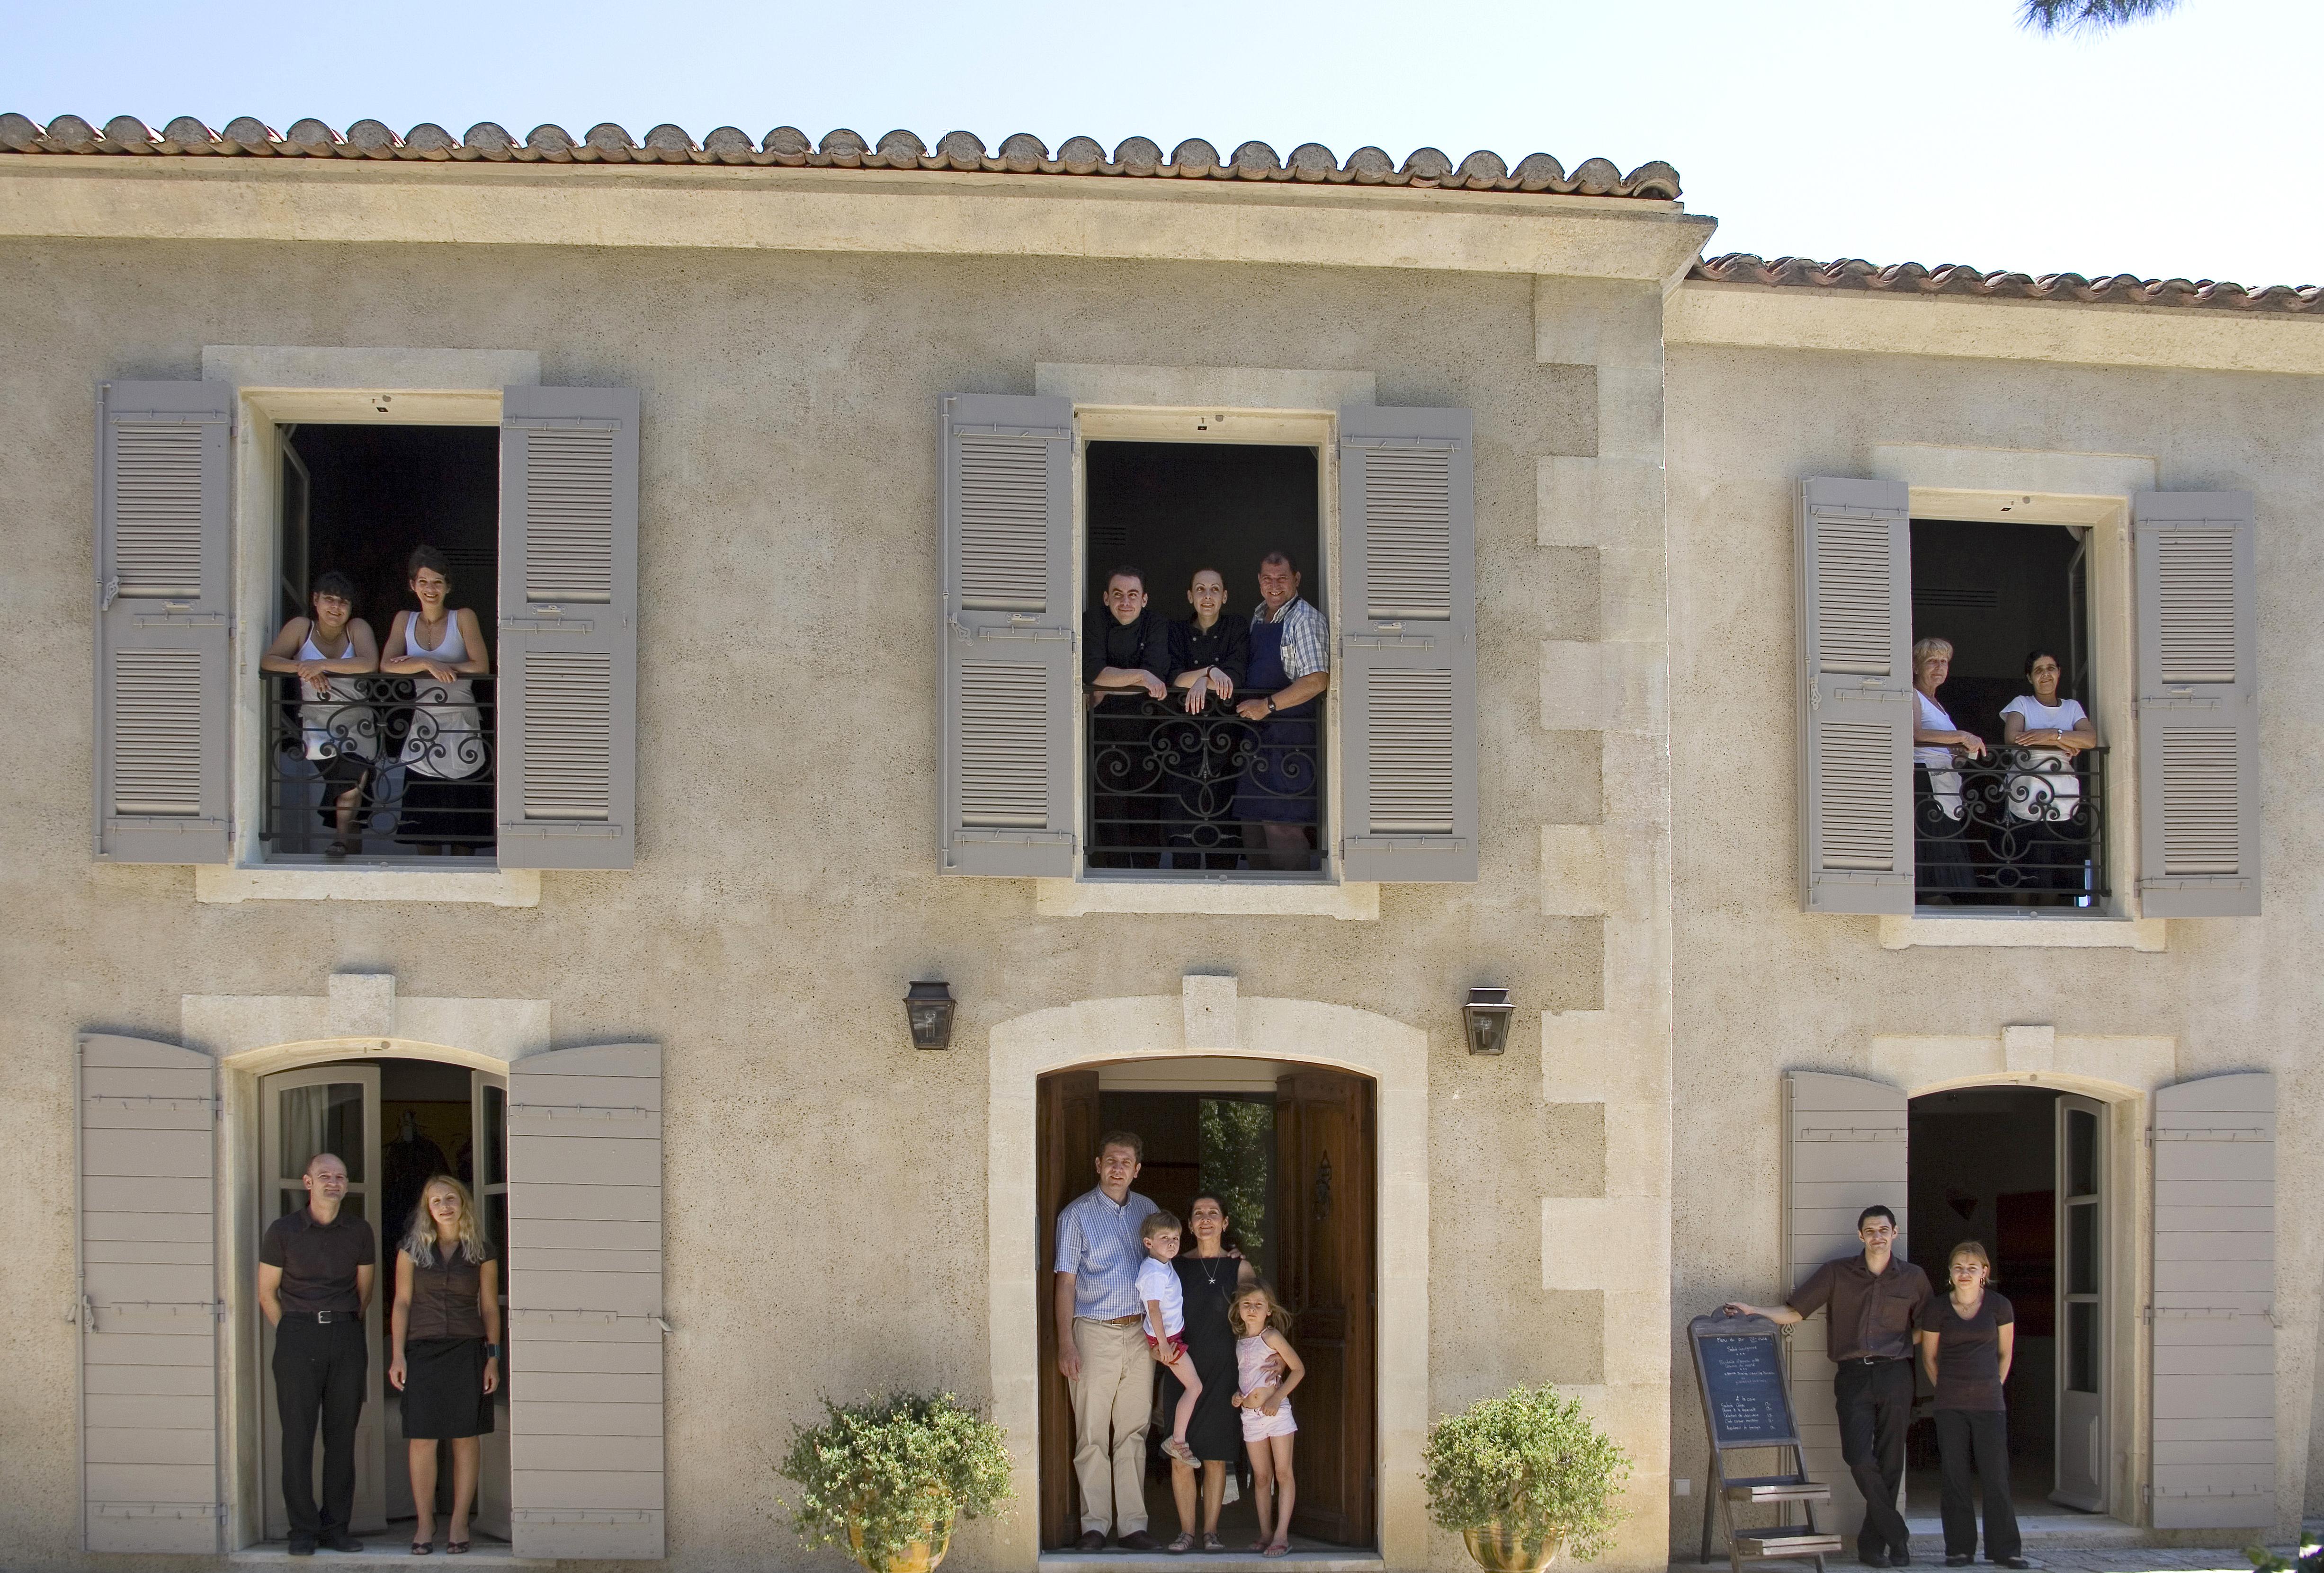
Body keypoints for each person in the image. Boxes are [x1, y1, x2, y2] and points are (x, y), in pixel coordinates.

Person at [1723, 1205, 1932, 1568]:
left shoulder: (1914, 1278)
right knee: (1857, 1456)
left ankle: (1874, 1546)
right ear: (1860, 1236)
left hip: (1896, 1375)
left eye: (1884, 1229)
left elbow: (1929, 1326)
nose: (1877, 1236)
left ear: (1895, 1233)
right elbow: (1795, 1312)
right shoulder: (1838, 1273)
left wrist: (1900, 1345)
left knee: (1891, 1459)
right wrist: (1752, 1310)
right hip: (1852, 1375)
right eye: (1870, 1230)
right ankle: (1897, 1532)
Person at [257, 1153, 378, 1555]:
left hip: (345, 1335)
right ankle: (303, 1531)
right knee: (297, 1438)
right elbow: (266, 1293)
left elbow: (365, 1294)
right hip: (297, 1336)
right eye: (324, 1175)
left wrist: (340, 1325)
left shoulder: (360, 1230)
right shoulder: (283, 1231)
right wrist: (295, 1330)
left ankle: (336, 1528)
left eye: (340, 1176)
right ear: (308, 1182)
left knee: (342, 1437)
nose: (333, 1182)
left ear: (347, 1184)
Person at [1053, 1131, 1163, 1552]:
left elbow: (1165, 1267)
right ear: (1099, 1165)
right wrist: (1066, 1342)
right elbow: (1065, 1283)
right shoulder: (1075, 1216)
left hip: (1140, 1333)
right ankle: (1095, 1526)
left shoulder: (1149, 1211)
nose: (1118, 1167)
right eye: (1111, 1160)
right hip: (1093, 1331)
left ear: (1137, 1170)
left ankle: (1133, 1525)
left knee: (1133, 1431)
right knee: (1093, 1433)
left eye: (1127, 1161)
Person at [388, 1176, 502, 1555]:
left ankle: (458, 1520)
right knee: (422, 1437)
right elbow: (402, 1303)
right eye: (435, 1200)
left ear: (463, 1203)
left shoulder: (481, 1250)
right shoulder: (411, 1249)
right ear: (428, 1208)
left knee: (465, 1437)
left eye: (450, 1198)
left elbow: (488, 1306)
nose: (444, 1205)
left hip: (467, 1350)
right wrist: (398, 1354)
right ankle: (425, 1523)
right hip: (422, 1350)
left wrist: (493, 1357)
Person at [1917, 1242, 2027, 1570]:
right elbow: (1929, 1358)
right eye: (1958, 1267)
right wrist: (1948, 1389)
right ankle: (1959, 1549)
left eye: (1972, 1267)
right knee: (1955, 1477)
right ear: (1950, 1273)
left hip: (1990, 1404)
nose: (1965, 1273)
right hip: (1950, 1405)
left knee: (1996, 1476)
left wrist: (1994, 1385)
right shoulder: (1937, 1309)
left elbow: (2006, 1353)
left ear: (1984, 1272)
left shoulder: (1999, 1305)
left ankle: (2005, 1549)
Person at [1165, 1194, 1264, 1553]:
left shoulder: (1239, 1268)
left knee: (1216, 1456)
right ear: (1189, 1226)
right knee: (1181, 1454)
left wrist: (1270, 1360)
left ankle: (1211, 1533)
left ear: (1224, 1223)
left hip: (1224, 1372)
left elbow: (1258, 1315)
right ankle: (1186, 1533)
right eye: (1198, 1214)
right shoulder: (1174, 1266)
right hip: (1182, 1370)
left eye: (1213, 1213)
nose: (1205, 1219)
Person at [259, 572, 380, 860]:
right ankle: (342, 843)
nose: (336, 607)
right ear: (315, 600)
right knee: (349, 784)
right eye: (329, 599)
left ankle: (341, 845)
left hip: (357, 721)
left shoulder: (357, 627)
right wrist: (304, 668)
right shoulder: (302, 627)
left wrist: (321, 665)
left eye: (344, 602)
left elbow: (369, 662)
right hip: (317, 723)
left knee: (353, 778)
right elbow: (270, 661)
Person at [381, 546, 492, 854]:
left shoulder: (463, 617)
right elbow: (387, 665)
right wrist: (428, 664)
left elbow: (480, 665)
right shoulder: (404, 619)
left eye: (437, 582)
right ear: (413, 585)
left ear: (448, 586)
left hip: (461, 729)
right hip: (423, 733)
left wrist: (442, 666)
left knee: (464, 833)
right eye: (424, 581)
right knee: (425, 831)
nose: (431, 589)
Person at [1234, 552, 1331, 871]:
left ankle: (1298, 910)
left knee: (1283, 827)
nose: (1274, 585)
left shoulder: (1304, 619)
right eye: (1267, 578)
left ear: (1297, 580)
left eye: (1282, 578)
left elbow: (1317, 679)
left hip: (1291, 742)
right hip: (1257, 740)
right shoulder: (1259, 615)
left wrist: (1267, 706)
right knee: (1252, 827)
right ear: (1259, 581)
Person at [1083, 568, 1172, 868]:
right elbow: (1093, 675)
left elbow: (1158, 676)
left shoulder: (1157, 624)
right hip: (1103, 736)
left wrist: (1110, 686)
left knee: (1147, 815)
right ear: (1106, 598)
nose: (1125, 602)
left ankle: (1148, 883)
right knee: (1108, 814)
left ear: (1144, 600)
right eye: (1118, 595)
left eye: (1133, 595)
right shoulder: (1094, 621)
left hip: (1150, 738)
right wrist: (1141, 676)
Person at [1163, 570, 1251, 869]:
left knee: (1222, 817)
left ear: (1224, 596)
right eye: (1200, 589)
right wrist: (1209, 673)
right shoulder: (1176, 631)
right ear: (1190, 596)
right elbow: (1174, 678)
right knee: (1183, 817)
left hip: (1227, 738)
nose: (1208, 595)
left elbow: (1235, 678)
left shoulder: (1237, 627)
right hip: (1183, 737)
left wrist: (1205, 677)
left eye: (1215, 589)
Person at [1999, 649, 2098, 903]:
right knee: (2025, 867)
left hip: (2063, 794)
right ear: (2030, 678)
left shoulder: (2073, 707)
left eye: (2051, 668)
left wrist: (2052, 734)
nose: (2046, 674)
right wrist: (2064, 742)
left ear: (2059, 673)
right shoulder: (2021, 703)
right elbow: (2014, 739)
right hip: (2026, 791)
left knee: (2055, 865)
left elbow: (2090, 739)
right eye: (2039, 670)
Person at [1230, 1282, 1305, 1559]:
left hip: (1277, 1414)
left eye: (1258, 1305)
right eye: (1246, 1304)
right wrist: (1239, 1397)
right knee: (1261, 1477)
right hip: (1250, 1417)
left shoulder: (1271, 1336)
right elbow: (1248, 1379)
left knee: (1283, 1473)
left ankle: (1281, 1536)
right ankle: (1265, 1533)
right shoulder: (1239, 1342)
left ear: (1269, 1311)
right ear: (1238, 1309)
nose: (1252, 1310)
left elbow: (1298, 1369)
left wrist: (1276, 1398)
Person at [1911, 637, 1983, 902]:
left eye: (1944, 662)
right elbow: (1915, 734)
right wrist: (1960, 736)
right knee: (1933, 851)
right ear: (1917, 668)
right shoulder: (1913, 695)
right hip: (1925, 783)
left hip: (1945, 781)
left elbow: (1939, 742)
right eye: (1932, 661)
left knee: (1945, 847)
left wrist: (1957, 751)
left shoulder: (1938, 704)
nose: (1939, 667)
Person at [1135, 1212, 1204, 1467]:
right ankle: (1177, 1441)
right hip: (1168, 1340)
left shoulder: (1164, 1264)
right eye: (1165, 1238)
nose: (1172, 1243)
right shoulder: (1154, 1271)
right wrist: (1163, 1345)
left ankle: (1175, 1436)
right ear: (1149, 1243)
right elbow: (1153, 1309)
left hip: (1171, 1336)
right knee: (1195, 1387)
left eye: (1176, 1238)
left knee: (1193, 1385)